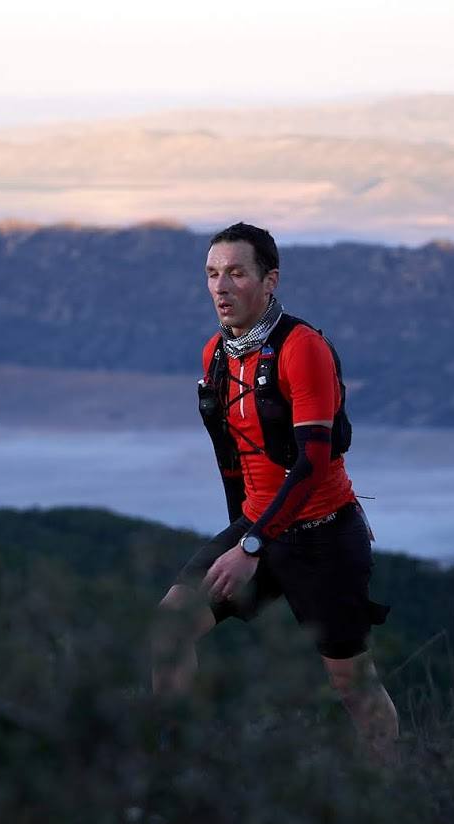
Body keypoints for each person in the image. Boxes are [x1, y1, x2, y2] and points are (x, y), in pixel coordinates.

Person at [151, 221, 399, 764]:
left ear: (270, 281)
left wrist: (250, 547)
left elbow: (312, 460)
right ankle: (170, 770)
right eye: (212, 274)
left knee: (351, 684)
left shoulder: (302, 348)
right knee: (169, 627)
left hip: (323, 536)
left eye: (237, 273)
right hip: (259, 529)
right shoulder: (215, 354)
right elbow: (232, 460)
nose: (221, 286)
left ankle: (398, 792)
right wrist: (240, 533)